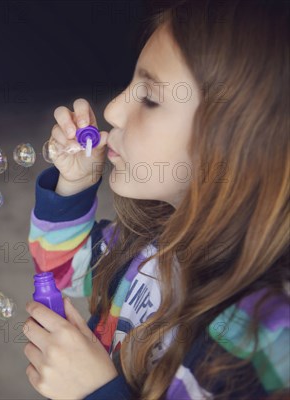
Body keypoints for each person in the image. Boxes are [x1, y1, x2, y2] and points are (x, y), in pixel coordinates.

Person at [24, 0, 289, 398]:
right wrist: (74, 185)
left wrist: (97, 392)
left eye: (149, 97)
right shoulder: (149, 247)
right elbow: (60, 270)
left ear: (238, 144)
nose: (112, 109)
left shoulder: (268, 340)